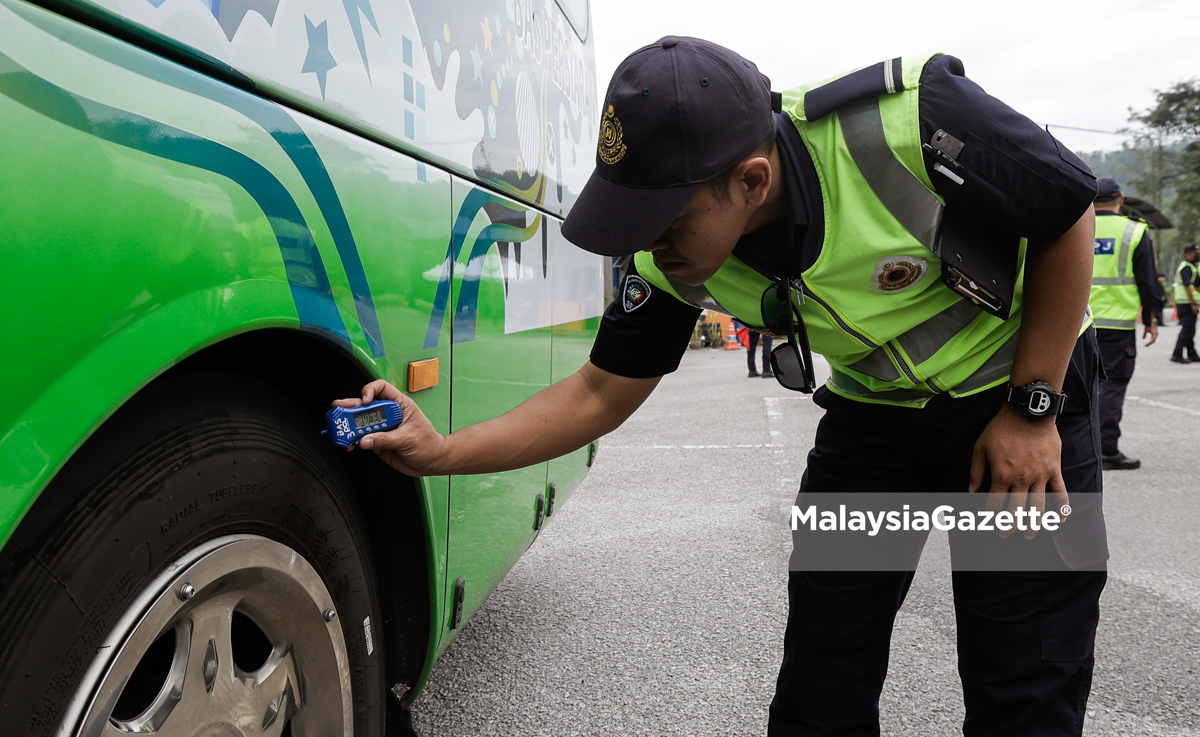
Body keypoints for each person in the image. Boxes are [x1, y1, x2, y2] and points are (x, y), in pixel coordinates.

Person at [336, 39, 1104, 736]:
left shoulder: (912, 119)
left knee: (1025, 683)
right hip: (875, 428)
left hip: (1021, 402)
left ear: (751, 178)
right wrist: (440, 451)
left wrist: (1034, 408)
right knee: (822, 680)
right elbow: (599, 392)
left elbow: (1066, 209)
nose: (648, 243)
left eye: (664, 220)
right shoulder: (671, 263)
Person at [1088, 178, 1160, 469]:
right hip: (1117, 325)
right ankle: (1105, 450)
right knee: (1112, 385)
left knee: (1076, 384)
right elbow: (1148, 281)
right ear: (1121, 199)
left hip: (1076, 323)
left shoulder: (1075, 226)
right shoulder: (1134, 231)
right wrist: (1151, 319)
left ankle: (1074, 447)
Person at [1172, 243, 1200, 363]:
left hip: (1187, 301)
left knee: (1191, 329)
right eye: (1195, 254)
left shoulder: (1191, 266)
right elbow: (1188, 286)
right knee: (1187, 328)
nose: (1197, 256)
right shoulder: (1186, 267)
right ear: (1187, 254)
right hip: (1185, 302)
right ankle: (1177, 354)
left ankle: (1191, 353)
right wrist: (1193, 303)